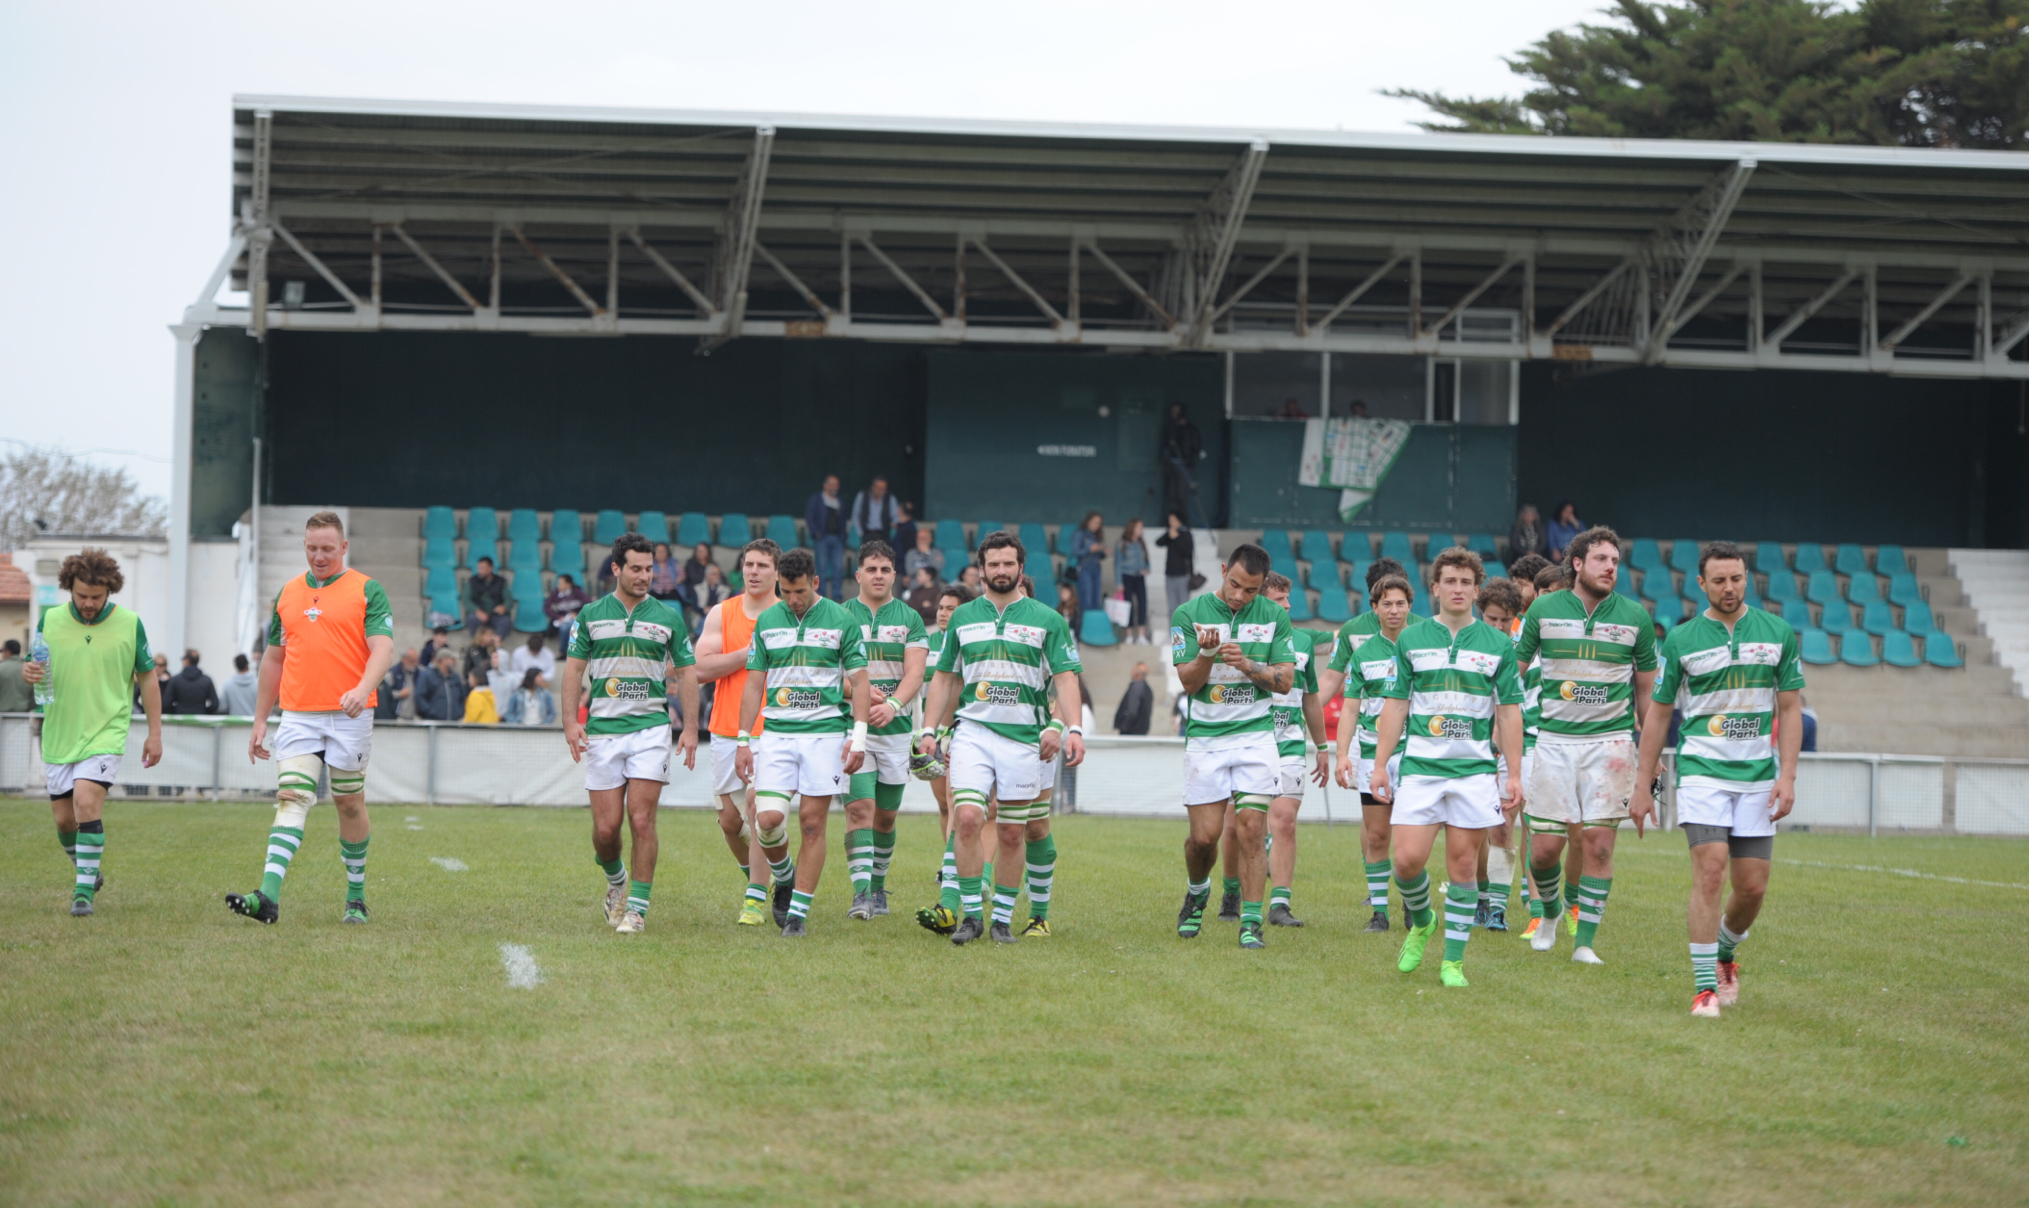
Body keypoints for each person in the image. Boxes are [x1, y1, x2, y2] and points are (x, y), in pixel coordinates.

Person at [1629, 541, 1803, 1018]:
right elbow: (1658, 714)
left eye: (1737, 579)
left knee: (1753, 888)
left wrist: (1787, 776)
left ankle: (1726, 953)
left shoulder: (1777, 633)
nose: (1730, 588)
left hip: (1757, 777)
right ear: (1701, 583)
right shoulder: (1682, 639)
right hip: (1702, 772)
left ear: (1747, 579)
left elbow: (1790, 708)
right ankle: (1704, 988)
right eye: (1720, 580)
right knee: (1710, 872)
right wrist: (1643, 784)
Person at [227, 512, 397, 927]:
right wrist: (260, 719)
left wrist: (362, 689)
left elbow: (383, 649)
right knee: (292, 796)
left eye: (327, 549)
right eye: (312, 548)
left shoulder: (367, 590)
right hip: (299, 715)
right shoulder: (287, 593)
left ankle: (355, 897)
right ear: (304, 547)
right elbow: (274, 659)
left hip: (350, 715)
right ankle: (267, 897)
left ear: (344, 548)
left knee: (348, 803)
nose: (319, 556)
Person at [915, 531, 1084, 944]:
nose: (1001, 570)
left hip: (1024, 739)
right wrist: (928, 729)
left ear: (1021, 569)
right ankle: (972, 916)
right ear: (981, 569)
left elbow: (1065, 679)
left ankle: (1003, 921)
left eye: (1009, 563)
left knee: (1012, 831)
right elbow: (944, 678)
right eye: (994, 564)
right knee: (967, 818)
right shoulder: (963, 617)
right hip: (972, 733)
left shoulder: (1048, 619)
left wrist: (1071, 728)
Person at [1367, 548, 1524, 988]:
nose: (1458, 589)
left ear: (1476, 590)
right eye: (1450, 581)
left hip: (1474, 773)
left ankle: (1452, 962)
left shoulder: (1499, 644)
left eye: (1466, 582)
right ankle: (1423, 921)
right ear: (1435, 588)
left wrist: (1513, 773)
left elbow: (1509, 712)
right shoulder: (1411, 640)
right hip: (1420, 768)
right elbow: (1396, 705)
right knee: (1405, 862)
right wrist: (1380, 765)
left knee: (1462, 866)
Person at [1511, 526, 1657, 966]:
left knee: (1598, 845)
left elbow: (1647, 694)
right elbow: (1513, 675)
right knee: (1543, 851)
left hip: (1610, 743)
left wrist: (1651, 757)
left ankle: (1585, 944)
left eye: (1615, 561)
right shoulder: (1544, 610)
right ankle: (1550, 911)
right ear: (1577, 564)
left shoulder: (1635, 617)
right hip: (1554, 742)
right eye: (1601, 559)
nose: (1610, 567)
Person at [560, 532, 700, 935]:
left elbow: (687, 673)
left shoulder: (668, 617)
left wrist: (691, 728)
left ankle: (636, 909)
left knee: (641, 819)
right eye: (635, 568)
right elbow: (573, 669)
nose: (644, 576)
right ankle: (616, 878)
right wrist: (570, 722)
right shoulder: (590, 615)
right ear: (616, 569)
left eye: (649, 568)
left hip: (650, 730)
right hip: (604, 732)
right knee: (606, 831)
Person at [735, 547, 869, 937]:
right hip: (776, 735)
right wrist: (743, 740)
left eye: (800, 592)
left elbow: (860, 681)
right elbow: (754, 684)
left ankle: (797, 916)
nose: (793, 600)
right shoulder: (767, 621)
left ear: (815, 583)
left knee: (812, 824)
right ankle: (785, 875)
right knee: (767, 821)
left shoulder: (842, 621)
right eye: (786, 591)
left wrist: (858, 738)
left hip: (824, 736)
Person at [21, 548, 163, 916]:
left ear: (109, 591)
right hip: (60, 732)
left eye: (96, 597)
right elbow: (33, 664)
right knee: (64, 820)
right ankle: (88, 869)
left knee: (85, 802)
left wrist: (155, 732)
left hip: (106, 732)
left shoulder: (130, 623)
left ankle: (82, 895)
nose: (88, 603)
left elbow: (148, 678)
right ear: (69, 587)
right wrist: (29, 671)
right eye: (82, 595)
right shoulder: (50, 620)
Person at [1170, 542, 1295, 950]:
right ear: (1224, 570)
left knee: (1252, 828)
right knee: (1204, 838)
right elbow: (1189, 683)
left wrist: (1247, 664)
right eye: (1235, 585)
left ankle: (1251, 923)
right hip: (1206, 740)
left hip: (1255, 738)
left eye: (1251, 590)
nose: (1240, 596)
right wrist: (1207, 654)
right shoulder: (1188, 613)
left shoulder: (1275, 616)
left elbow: (1285, 681)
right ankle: (1197, 890)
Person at [1315, 557, 1425, 931]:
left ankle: (1412, 904)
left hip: (1415, 753)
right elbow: (1349, 707)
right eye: (1386, 603)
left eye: (1400, 603)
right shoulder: (1361, 650)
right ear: (1374, 606)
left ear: (1410, 605)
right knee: (1377, 834)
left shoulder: (1426, 643)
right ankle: (1379, 913)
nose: (1394, 610)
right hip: (1370, 752)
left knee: (1410, 834)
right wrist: (1342, 754)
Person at [694, 539, 796, 927]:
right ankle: (773, 872)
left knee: (757, 806)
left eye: (762, 565)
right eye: (748, 564)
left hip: (773, 729)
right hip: (726, 729)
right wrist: (750, 653)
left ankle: (754, 897)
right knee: (729, 823)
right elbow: (701, 669)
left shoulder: (790, 615)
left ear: (777, 572)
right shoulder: (722, 613)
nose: (753, 571)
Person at [1216, 572, 1326, 928]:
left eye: (1288, 599)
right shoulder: (1238, 637)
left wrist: (1322, 747)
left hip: (1289, 744)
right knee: (1235, 826)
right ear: (1261, 602)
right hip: (1244, 741)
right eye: (1280, 600)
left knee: (1285, 822)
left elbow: (1310, 698)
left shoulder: (1302, 642)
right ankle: (1231, 891)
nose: (1288, 606)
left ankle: (1280, 904)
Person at [840, 540, 929, 920]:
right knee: (859, 808)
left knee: (886, 817)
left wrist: (892, 705)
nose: (878, 576)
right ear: (858, 574)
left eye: (885, 570)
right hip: (850, 728)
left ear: (895, 575)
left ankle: (878, 887)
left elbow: (916, 673)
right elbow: (827, 672)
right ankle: (861, 894)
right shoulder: (839, 615)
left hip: (896, 729)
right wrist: (856, 693)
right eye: (871, 569)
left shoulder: (910, 619)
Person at [1472, 578, 1527, 932]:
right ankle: (1481, 895)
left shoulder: (1520, 648)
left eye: (1505, 620)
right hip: (1470, 749)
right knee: (1474, 830)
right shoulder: (1467, 643)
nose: (1498, 626)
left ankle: (1497, 909)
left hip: (1506, 748)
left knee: (1503, 827)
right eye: (1492, 619)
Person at [918, 581, 969, 930]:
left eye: (951, 608)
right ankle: (949, 862)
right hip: (935, 734)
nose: (943, 613)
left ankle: (965, 868)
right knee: (943, 804)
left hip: (963, 732)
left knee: (957, 803)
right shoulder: (927, 643)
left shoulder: (971, 640)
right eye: (941, 607)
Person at [1160, 402, 1204, 526]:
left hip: (1184, 466)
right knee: (1172, 495)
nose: (1175, 414)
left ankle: (1184, 523)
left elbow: (1196, 449)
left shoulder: (1191, 430)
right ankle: (1173, 523)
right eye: (1173, 411)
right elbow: (1165, 446)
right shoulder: (1170, 429)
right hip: (1171, 466)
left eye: (1177, 412)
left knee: (1182, 495)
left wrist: (1190, 465)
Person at [806, 475, 848, 599]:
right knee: (822, 569)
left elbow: (843, 520)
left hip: (837, 539)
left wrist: (843, 535)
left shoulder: (839, 501)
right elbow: (810, 516)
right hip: (822, 539)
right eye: (832, 484)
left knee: (838, 569)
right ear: (825, 485)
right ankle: (821, 597)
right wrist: (816, 533)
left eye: (837, 485)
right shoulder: (817, 499)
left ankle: (837, 596)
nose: (835, 487)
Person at [1117, 517, 1151, 645]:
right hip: (1127, 576)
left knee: (1142, 604)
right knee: (1128, 605)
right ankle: (1129, 635)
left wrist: (1147, 568)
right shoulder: (1122, 544)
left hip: (1139, 576)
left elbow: (1146, 560)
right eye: (1139, 527)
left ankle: (1141, 635)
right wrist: (1119, 582)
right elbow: (1117, 564)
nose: (1141, 530)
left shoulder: (1141, 543)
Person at [1156, 512, 1195, 621]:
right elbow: (1158, 542)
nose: (1171, 522)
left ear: (1179, 521)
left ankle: (1184, 630)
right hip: (1170, 575)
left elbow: (1188, 552)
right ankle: (1173, 631)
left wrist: (1177, 538)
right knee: (1172, 607)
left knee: (1183, 607)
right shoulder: (1169, 534)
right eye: (1170, 520)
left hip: (1183, 575)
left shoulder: (1186, 533)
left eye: (1173, 520)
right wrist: (1169, 534)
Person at [160, 649, 219, 716]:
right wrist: (204, 712)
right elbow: (215, 704)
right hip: (200, 718)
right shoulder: (207, 680)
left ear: (187, 661)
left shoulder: (175, 680)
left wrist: (177, 711)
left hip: (180, 718)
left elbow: (166, 703)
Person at [1069, 511, 1106, 615]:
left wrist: (1103, 551)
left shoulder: (1097, 535)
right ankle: (1086, 621)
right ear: (1088, 521)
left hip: (1096, 568)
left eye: (1099, 523)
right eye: (1095, 522)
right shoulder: (1080, 534)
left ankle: (1094, 622)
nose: (1097, 525)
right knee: (1087, 598)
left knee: (1096, 599)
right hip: (1084, 568)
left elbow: (1099, 555)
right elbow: (1075, 551)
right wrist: (1089, 549)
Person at [465, 556, 511, 638]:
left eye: (482, 569)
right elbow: (466, 600)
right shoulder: (472, 581)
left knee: (506, 621)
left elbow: (509, 599)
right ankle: (478, 642)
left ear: (490, 568)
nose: (479, 571)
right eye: (479, 568)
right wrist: (477, 611)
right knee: (472, 619)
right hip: (479, 613)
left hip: (496, 615)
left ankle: (495, 641)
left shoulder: (501, 582)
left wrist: (504, 607)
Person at [544, 575, 590, 655]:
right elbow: (546, 607)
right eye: (558, 584)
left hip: (576, 618)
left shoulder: (577, 592)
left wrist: (578, 614)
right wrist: (558, 617)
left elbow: (589, 603)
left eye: (561, 584)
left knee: (574, 626)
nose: (559, 586)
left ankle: (572, 650)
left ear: (568, 584)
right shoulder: (555, 593)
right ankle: (564, 651)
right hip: (562, 619)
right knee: (564, 627)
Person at [415, 649, 465, 721]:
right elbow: (420, 696)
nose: (454, 662)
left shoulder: (455, 677)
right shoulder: (427, 676)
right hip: (434, 721)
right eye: (451, 659)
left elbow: (462, 697)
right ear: (444, 660)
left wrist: (459, 712)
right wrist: (430, 712)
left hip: (453, 721)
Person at [852, 475, 901, 546]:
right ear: (873, 487)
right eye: (880, 489)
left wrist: (895, 526)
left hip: (884, 536)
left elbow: (895, 517)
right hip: (867, 535)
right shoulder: (862, 496)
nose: (882, 491)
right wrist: (860, 533)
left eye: (884, 489)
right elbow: (855, 516)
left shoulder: (890, 498)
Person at [374, 649, 420, 721]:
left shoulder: (417, 673)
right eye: (412, 661)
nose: (415, 664)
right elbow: (385, 694)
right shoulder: (392, 673)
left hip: (412, 716)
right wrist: (399, 694)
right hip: (398, 717)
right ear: (404, 660)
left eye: (417, 661)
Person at [1113, 661, 1154, 735]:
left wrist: (1125, 727)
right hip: (1141, 731)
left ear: (1136, 673)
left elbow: (1132, 712)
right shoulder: (1147, 689)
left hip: (1131, 732)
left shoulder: (1136, 688)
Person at [220, 652, 261, 717]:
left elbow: (223, 707)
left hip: (235, 722)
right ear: (247, 665)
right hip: (253, 721)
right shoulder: (258, 684)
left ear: (236, 666)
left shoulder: (227, 685)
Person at [0, 639, 30, 713]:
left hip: (2, 715)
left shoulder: (1, 668)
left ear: (8, 652)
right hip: (22, 714)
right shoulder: (28, 669)